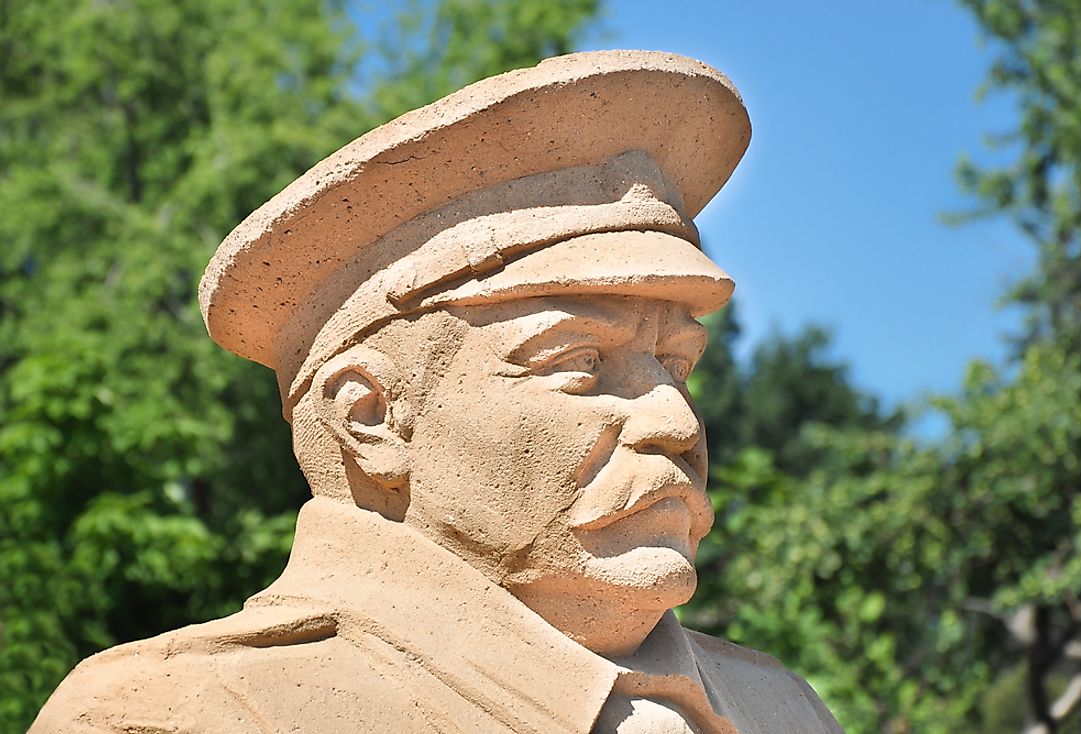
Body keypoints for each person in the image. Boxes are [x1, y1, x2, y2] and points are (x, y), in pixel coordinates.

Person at [32, 50, 844, 734]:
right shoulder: (189, 714)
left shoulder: (783, 712)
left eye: (675, 368)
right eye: (580, 366)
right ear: (372, 419)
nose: (675, 422)